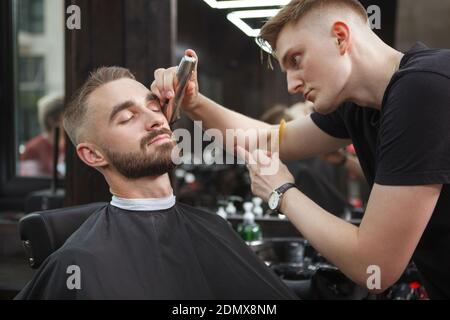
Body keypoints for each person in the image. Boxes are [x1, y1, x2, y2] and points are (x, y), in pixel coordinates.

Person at [152, 0, 450, 299]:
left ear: (340, 37)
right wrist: (195, 102)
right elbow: (267, 139)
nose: (291, 85)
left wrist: (281, 192)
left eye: (296, 60)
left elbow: (376, 268)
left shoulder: (423, 89)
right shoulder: (357, 105)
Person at [15, 67, 296, 300]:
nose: (155, 120)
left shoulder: (214, 226)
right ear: (93, 154)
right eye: (127, 118)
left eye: (153, 107)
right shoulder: (77, 265)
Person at [19, 94, 65, 177]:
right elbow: (31, 181)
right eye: (66, 116)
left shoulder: (71, 146)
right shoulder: (32, 149)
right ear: (52, 120)